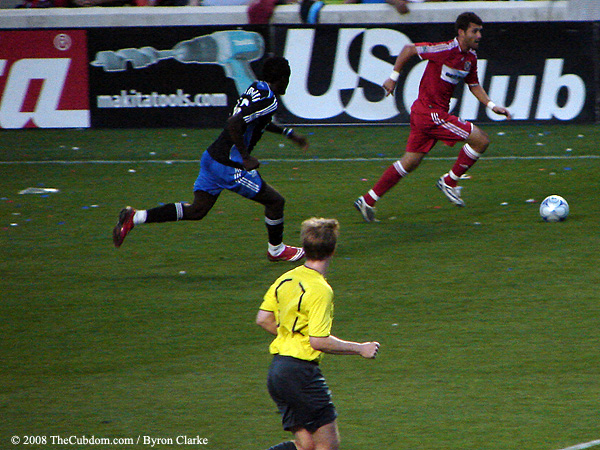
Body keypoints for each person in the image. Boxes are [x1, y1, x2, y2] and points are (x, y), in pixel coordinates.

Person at [113, 56, 309, 262]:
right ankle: (276, 250)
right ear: (283, 78)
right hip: (229, 166)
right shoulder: (270, 100)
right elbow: (234, 122)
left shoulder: (257, 88)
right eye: (288, 77)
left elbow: (256, 119)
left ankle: (136, 217)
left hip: (211, 157)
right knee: (275, 201)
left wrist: (288, 133)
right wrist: (245, 157)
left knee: (197, 210)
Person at [354, 11, 512, 222]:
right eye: (475, 31)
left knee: (409, 162)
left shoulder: (470, 58)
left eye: (480, 31)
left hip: (427, 113)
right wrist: (393, 78)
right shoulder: (445, 49)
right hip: (430, 113)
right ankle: (450, 181)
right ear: (461, 32)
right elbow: (409, 49)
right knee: (481, 140)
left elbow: (473, 84)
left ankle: (368, 199)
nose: (479, 36)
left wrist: (491, 105)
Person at [256, 217, 380, 450]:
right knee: (328, 446)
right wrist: (360, 348)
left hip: (278, 373)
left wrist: (289, 337)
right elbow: (319, 341)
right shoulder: (321, 290)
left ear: (304, 249)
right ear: (332, 251)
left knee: (306, 446)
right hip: (301, 374)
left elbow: (263, 319)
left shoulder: (286, 278)